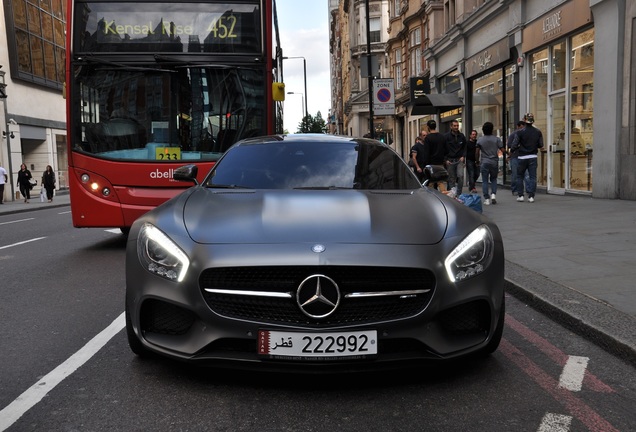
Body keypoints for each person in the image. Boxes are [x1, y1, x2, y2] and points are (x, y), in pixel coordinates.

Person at [510, 113, 544, 203]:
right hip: (533, 156)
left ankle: (520, 195)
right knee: (532, 177)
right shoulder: (538, 132)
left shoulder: (520, 132)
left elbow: (514, 145)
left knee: (519, 176)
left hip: (522, 157)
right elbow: (541, 145)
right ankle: (531, 196)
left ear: (525, 120)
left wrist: (511, 152)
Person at [476, 122, 504, 205]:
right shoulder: (496, 139)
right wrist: (508, 155)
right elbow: (502, 149)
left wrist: (477, 160)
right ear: (492, 130)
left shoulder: (480, 140)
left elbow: (477, 152)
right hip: (494, 162)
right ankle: (493, 195)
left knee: (485, 180)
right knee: (494, 179)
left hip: (484, 162)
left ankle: (487, 199)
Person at [421, 119, 447, 190]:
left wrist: (424, 165)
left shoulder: (428, 138)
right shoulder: (442, 137)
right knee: (440, 182)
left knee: (431, 182)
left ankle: (431, 198)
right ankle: (444, 196)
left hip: (431, 164)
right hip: (440, 163)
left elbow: (426, 153)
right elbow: (446, 150)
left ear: (428, 127)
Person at [444, 119, 467, 195]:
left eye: (457, 125)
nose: (456, 127)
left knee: (460, 176)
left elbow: (465, 147)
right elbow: (442, 148)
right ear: (451, 126)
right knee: (451, 178)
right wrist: (446, 159)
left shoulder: (462, 136)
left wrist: (463, 156)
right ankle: (452, 195)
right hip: (450, 160)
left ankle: (459, 193)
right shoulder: (446, 137)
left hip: (459, 159)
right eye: (454, 126)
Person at [507, 121, 526, 196]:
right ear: (518, 126)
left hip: (523, 156)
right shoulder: (513, 134)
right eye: (521, 126)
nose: (523, 128)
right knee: (515, 174)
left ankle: (526, 189)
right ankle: (514, 189)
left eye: (524, 126)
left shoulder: (525, 134)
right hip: (515, 156)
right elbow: (509, 145)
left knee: (525, 174)